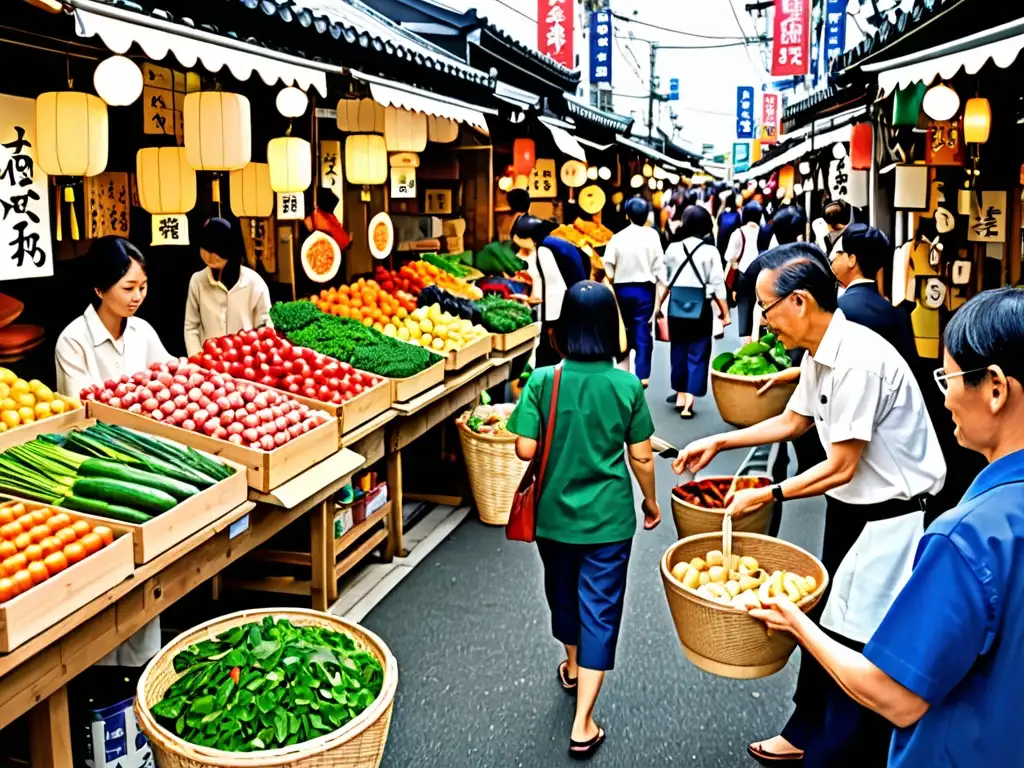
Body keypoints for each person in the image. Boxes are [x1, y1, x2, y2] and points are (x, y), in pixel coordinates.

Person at [673, 244, 946, 768]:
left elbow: (841, 465)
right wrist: (720, 445)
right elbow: (794, 422)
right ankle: (805, 731)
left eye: (765, 307)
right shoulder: (823, 351)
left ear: (798, 302)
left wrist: (768, 492)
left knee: (854, 634)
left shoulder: (857, 362)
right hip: (854, 510)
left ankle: (836, 751)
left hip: (892, 517)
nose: (761, 320)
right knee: (824, 620)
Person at [749, 287, 1024, 768]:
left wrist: (794, 621)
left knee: (858, 642)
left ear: (996, 388)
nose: (945, 400)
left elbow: (897, 695)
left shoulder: (967, 538)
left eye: (950, 378)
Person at [506, 281, 661, 761]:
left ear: (563, 327)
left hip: (553, 517)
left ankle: (572, 667)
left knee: (563, 592)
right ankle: (584, 721)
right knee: (600, 608)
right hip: (609, 520)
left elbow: (524, 449)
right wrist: (651, 503)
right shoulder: (626, 384)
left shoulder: (542, 381)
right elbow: (641, 457)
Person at [54, 236, 170, 667]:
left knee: (146, 582)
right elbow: (84, 410)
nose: (137, 296)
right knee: (107, 582)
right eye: (127, 287)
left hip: (150, 465)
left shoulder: (143, 332)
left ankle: (145, 673)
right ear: (100, 289)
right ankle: (102, 679)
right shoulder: (73, 342)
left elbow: (170, 375)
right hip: (99, 474)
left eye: (142, 286)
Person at [660, 206, 730, 418]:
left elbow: (665, 282)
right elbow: (718, 284)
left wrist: (658, 307)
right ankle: (689, 401)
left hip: (676, 306)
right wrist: (724, 313)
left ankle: (680, 394)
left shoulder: (672, 249)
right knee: (698, 352)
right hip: (701, 307)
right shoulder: (710, 251)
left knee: (678, 349)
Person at [184, 218, 272, 357]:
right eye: (205, 249)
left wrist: (258, 359)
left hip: (245, 362)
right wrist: (196, 357)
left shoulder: (254, 283)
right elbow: (191, 326)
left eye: (217, 251)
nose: (210, 256)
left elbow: (265, 326)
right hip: (209, 362)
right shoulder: (197, 281)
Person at [602, 198, 666, 387]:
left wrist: (613, 278)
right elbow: (659, 265)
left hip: (621, 288)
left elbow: (608, 265)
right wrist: (663, 289)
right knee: (642, 329)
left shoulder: (617, 237)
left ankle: (623, 370)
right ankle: (642, 374)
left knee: (622, 327)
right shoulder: (652, 235)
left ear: (627, 215)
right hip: (645, 289)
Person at [830, 224, 916, 363]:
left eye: (840, 253)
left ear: (852, 260)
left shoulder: (837, 309)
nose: (834, 259)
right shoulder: (898, 314)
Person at [511, 215, 588, 368]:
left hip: (562, 311)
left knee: (548, 355)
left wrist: (551, 323)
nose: (522, 251)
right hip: (577, 300)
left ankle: (546, 386)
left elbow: (554, 286)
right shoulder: (556, 242)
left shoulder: (544, 249)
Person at [723, 201, 763, 341]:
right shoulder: (765, 231)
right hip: (762, 275)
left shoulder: (738, 233)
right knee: (759, 312)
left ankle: (747, 348)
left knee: (744, 315)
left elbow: (729, 257)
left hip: (743, 277)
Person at [715, 192, 741, 259]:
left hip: (720, 244)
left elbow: (717, 223)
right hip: (730, 244)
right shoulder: (737, 214)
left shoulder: (723, 214)